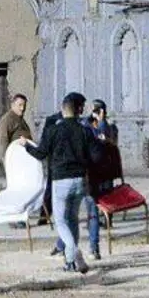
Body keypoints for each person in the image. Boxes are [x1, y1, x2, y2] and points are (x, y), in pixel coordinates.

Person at [26, 92, 95, 274]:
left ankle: (72, 253)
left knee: (60, 221)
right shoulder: (85, 130)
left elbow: (40, 153)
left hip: (61, 180)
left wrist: (25, 145)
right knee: (72, 219)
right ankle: (70, 260)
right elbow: (95, 156)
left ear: (63, 109)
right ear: (78, 110)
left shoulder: (53, 130)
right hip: (80, 180)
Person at [82, 100, 117, 261]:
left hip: (99, 176)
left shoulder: (104, 127)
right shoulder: (89, 129)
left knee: (92, 212)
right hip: (94, 176)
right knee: (92, 213)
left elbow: (107, 144)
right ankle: (93, 248)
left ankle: (93, 247)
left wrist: (101, 122)